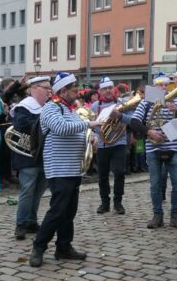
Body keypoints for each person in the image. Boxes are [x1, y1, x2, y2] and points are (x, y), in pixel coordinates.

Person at [29, 72, 103, 267]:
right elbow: (61, 129)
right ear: (63, 91)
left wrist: (90, 138)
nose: (77, 93)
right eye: (74, 89)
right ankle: (38, 247)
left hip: (72, 168)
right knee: (57, 211)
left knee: (69, 212)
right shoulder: (51, 108)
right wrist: (89, 124)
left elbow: (75, 132)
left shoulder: (69, 110)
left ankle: (64, 247)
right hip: (59, 169)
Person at [130, 73, 177, 230]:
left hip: (172, 147)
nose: (163, 87)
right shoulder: (146, 103)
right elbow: (134, 122)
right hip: (152, 147)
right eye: (160, 85)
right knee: (155, 184)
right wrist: (149, 132)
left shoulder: (175, 101)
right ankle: (157, 215)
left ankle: (175, 216)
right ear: (154, 87)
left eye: (165, 85)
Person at [13, 76, 51, 240]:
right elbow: (22, 126)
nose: (49, 91)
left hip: (44, 155)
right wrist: (46, 123)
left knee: (38, 191)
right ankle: (20, 224)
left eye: (50, 88)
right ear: (34, 88)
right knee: (27, 191)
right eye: (45, 88)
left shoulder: (47, 107)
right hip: (27, 156)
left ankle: (31, 221)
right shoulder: (24, 107)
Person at [92, 76, 132, 215]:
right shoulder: (94, 106)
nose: (108, 91)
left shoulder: (123, 103)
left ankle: (118, 202)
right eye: (104, 89)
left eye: (110, 88)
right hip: (102, 145)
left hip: (119, 143)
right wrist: (95, 138)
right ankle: (104, 203)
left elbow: (132, 121)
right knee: (102, 175)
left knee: (119, 172)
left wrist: (120, 116)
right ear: (100, 91)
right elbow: (93, 126)